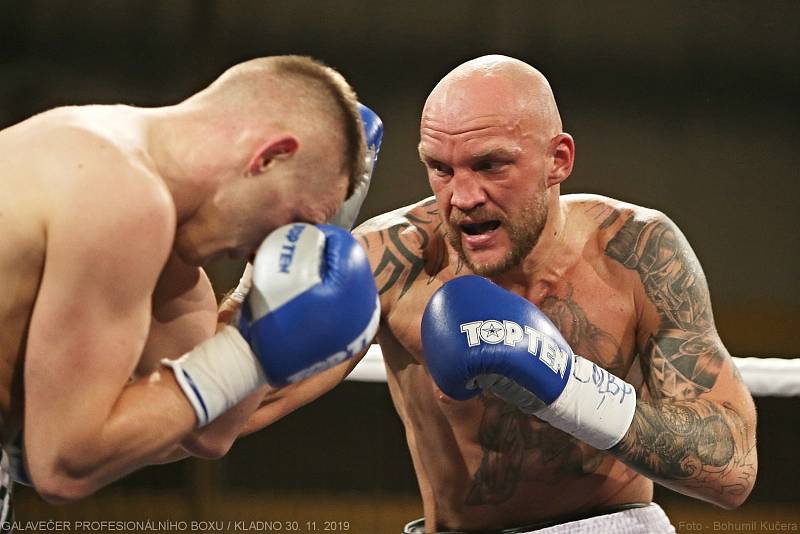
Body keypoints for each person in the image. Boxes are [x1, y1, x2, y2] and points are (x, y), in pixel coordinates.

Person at [238, 55, 758, 534]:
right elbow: (233, 412)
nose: (462, 198)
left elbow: (732, 468)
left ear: (558, 159)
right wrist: (272, 263)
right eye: (440, 168)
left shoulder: (636, 252)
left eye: (490, 166)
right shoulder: (395, 261)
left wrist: (569, 389)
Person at [0, 54, 381, 517]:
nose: (269, 254)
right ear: (270, 156)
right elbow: (63, 464)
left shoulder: (169, 260)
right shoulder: (120, 191)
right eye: (294, 223)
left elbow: (209, 430)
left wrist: (257, 301)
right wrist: (248, 352)